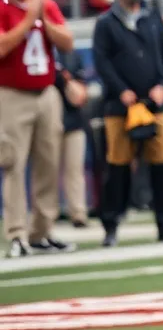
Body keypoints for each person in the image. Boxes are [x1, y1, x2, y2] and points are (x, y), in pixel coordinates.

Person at [91, 0, 163, 246]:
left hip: (155, 103)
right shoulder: (106, 23)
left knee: (162, 164)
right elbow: (102, 62)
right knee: (118, 165)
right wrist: (120, 91)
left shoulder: (153, 16)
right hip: (122, 106)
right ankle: (111, 225)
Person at [0, 0, 75, 257]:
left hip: (45, 93)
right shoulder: (3, 8)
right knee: (14, 165)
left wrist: (42, 19)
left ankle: (41, 232)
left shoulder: (45, 5)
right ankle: (16, 233)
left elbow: (67, 42)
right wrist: (29, 20)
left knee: (49, 163)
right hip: (12, 93)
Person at [55, 47, 91, 229]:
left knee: (74, 169)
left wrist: (67, 79)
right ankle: (49, 214)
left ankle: (78, 212)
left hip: (73, 120)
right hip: (47, 120)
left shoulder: (71, 55)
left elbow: (80, 95)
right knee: (46, 171)